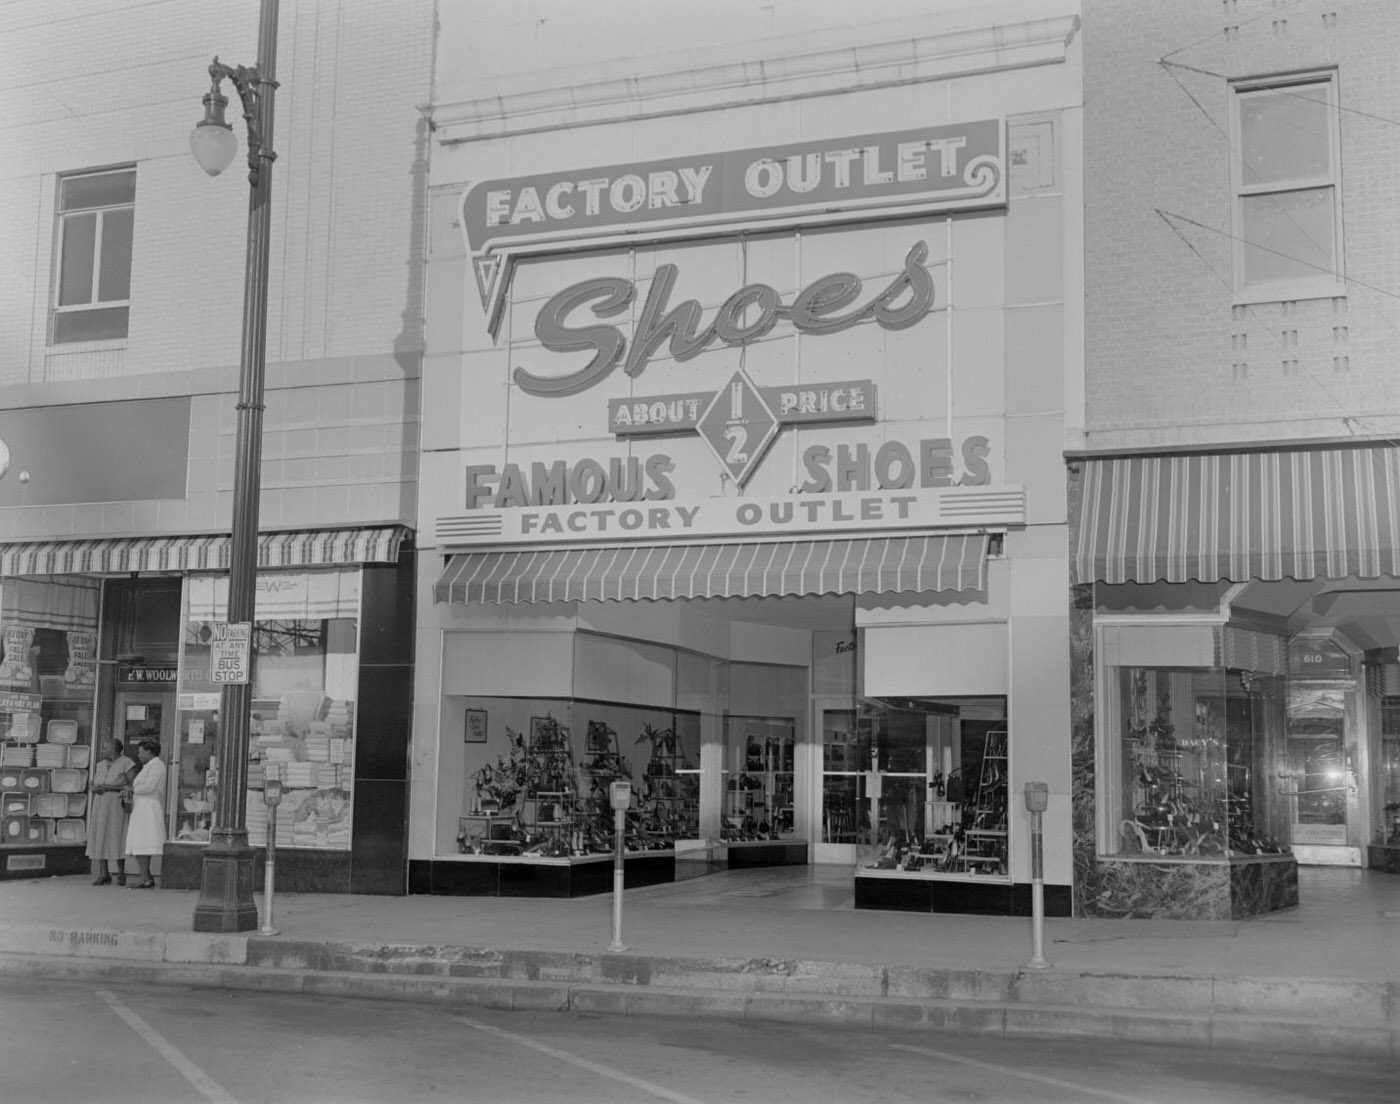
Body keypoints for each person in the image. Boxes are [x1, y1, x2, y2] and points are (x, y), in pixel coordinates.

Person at [87, 738, 137, 885]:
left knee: (116, 834)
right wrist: (94, 788)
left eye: (105, 748)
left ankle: (121, 872)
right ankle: (104, 873)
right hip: (100, 803)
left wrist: (109, 787)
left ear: (114, 749)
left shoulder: (127, 763)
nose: (103, 751)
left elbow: (132, 785)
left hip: (116, 803)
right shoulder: (100, 765)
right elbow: (94, 782)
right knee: (100, 834)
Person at [123, 739, 167, 889]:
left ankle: (144, 876)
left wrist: (132, 789)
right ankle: (145, 875)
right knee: (139, 841)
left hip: (148, 806)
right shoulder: (147, 766)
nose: (139, 754)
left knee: (144, 840)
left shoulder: (157, 766)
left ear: (149, 751)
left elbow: (149, 787)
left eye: (141, 751)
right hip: (140, 806)